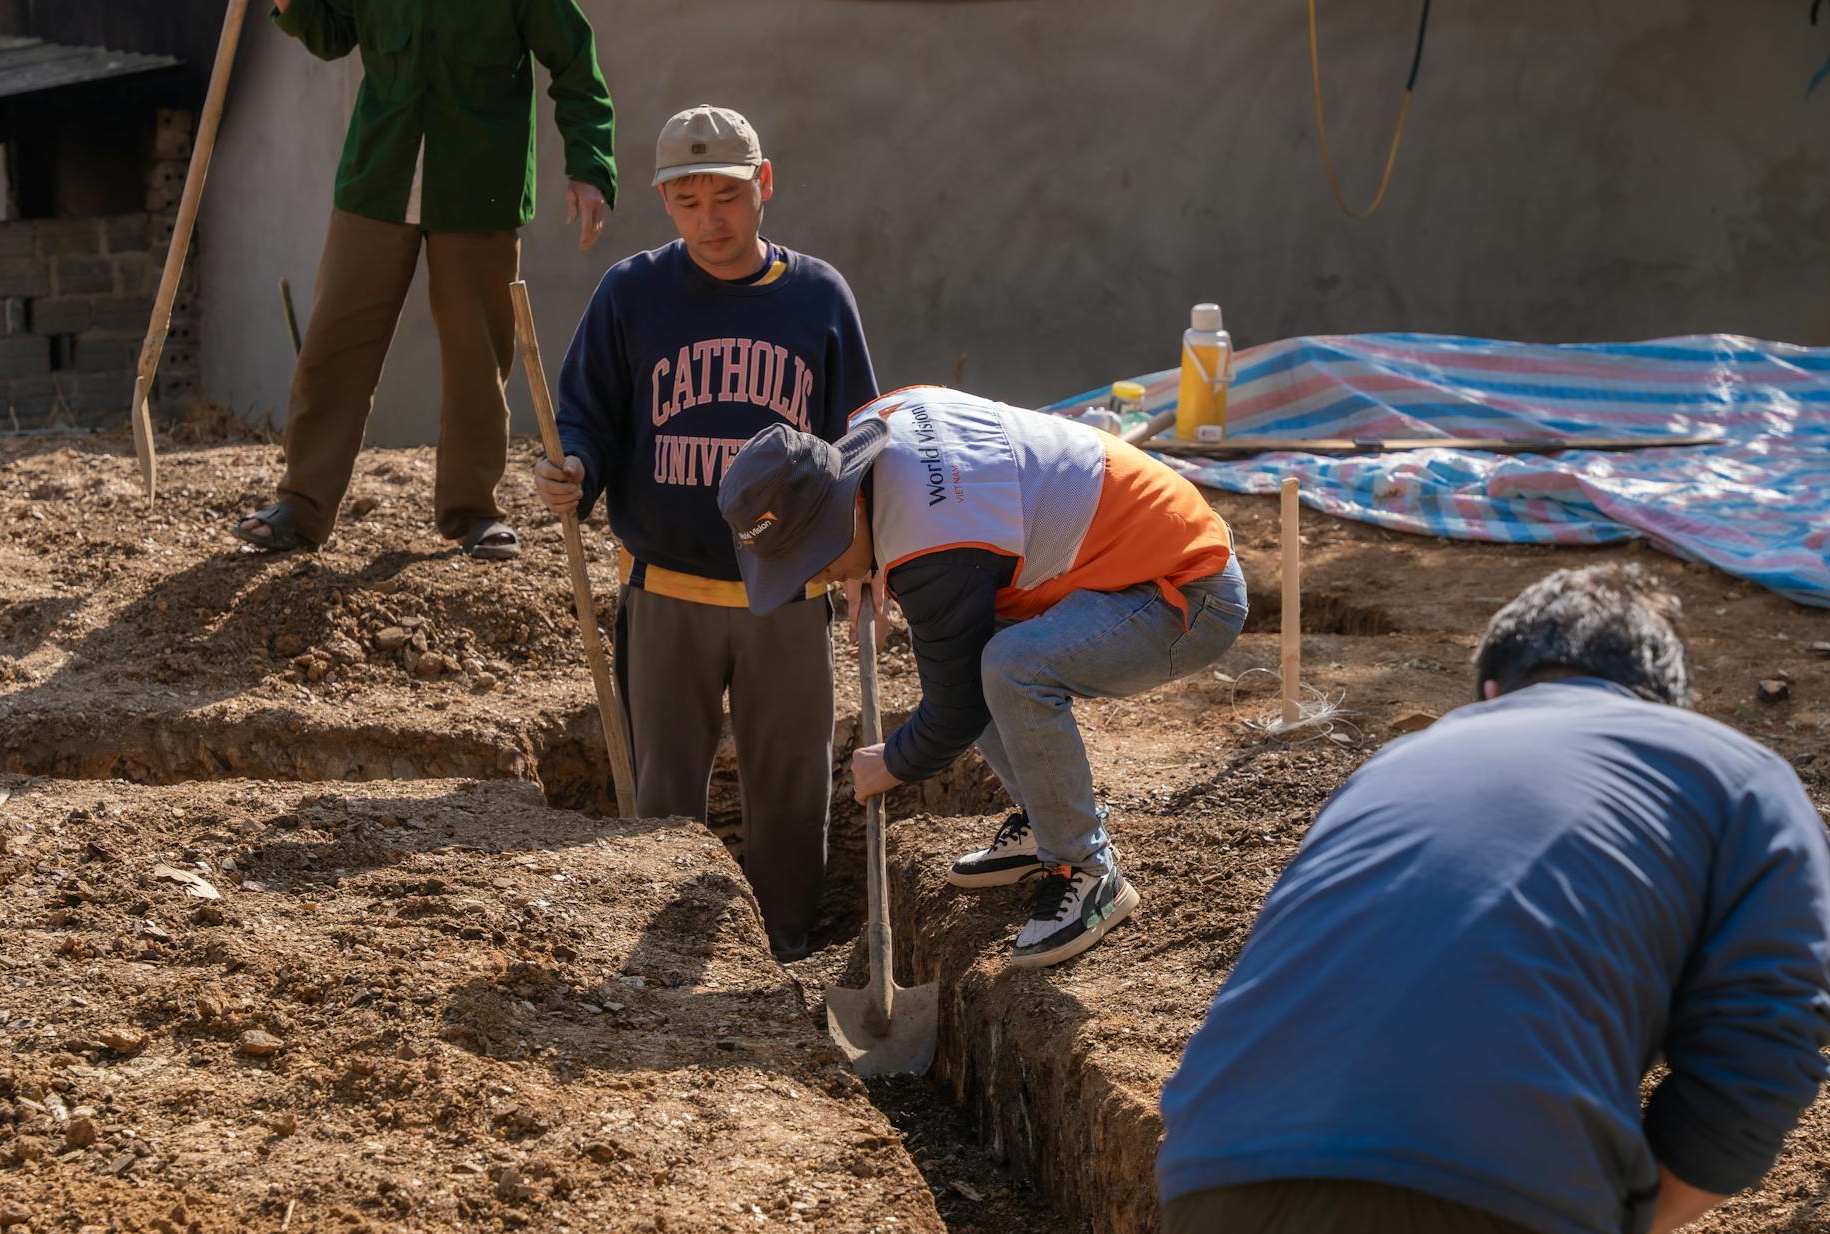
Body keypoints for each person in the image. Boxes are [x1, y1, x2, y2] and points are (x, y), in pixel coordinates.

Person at [1157, 563, 1830, 1234]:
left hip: (1216, 1175)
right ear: (1667, 704)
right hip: (1505, 1193)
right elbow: (1767, 1042)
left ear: (1490, 690)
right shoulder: (1743, 779)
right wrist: (1622, 1222)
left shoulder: (1391, 766)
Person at [715, 385, 1248, 968]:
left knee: (1009, 668)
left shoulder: (931, 549)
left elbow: (959, 705)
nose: (820, 576)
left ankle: (1087, 870)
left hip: (1184, 589)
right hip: (1127, 546)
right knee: (962, 640)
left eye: (816, 559)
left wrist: (891, 762)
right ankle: (1044, 821)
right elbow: (946, 530)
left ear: (848, 506)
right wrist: (862, 563)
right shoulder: (878, 425)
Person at [536, 105, 877, 960]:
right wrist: (573, 467)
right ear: (664, 203)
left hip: (789, 596)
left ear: (762, 186)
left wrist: (870, 555)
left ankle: (789, 954)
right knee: (662, 799)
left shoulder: (818, 298)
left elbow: (862, 437)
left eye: (724, 196)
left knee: (792, 792)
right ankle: (662, 963)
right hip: (667, 593)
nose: (709, 220)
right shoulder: (632, 293)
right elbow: (587, 417)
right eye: (686, 202)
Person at [236, 0, 617, 558]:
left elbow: (575, 61)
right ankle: (301, 506)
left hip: (479, 187)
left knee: (477, 357)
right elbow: (333, 33)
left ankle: (474, 513)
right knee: (333, 347)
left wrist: (589, 168)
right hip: (377, 180)